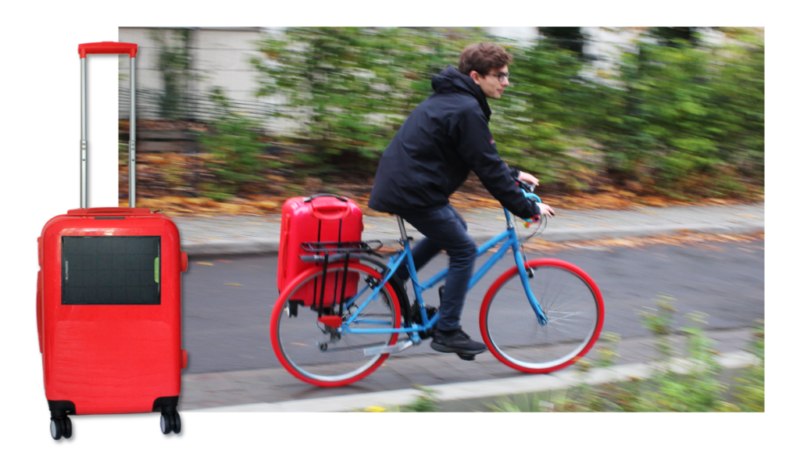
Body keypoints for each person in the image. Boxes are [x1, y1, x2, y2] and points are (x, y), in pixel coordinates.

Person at [368, 42, 556, 358]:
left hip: (407, 185)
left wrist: (514, 173)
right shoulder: (466, 107)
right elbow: (485, 165)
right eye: (500, 75)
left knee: (457, 225)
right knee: (464, 249)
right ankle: (448, 330)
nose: (506, 82)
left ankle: (392, 281)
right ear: (476, 76)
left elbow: (475, 154)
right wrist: (528, 207)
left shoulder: (454, 99)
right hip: (413, 190)